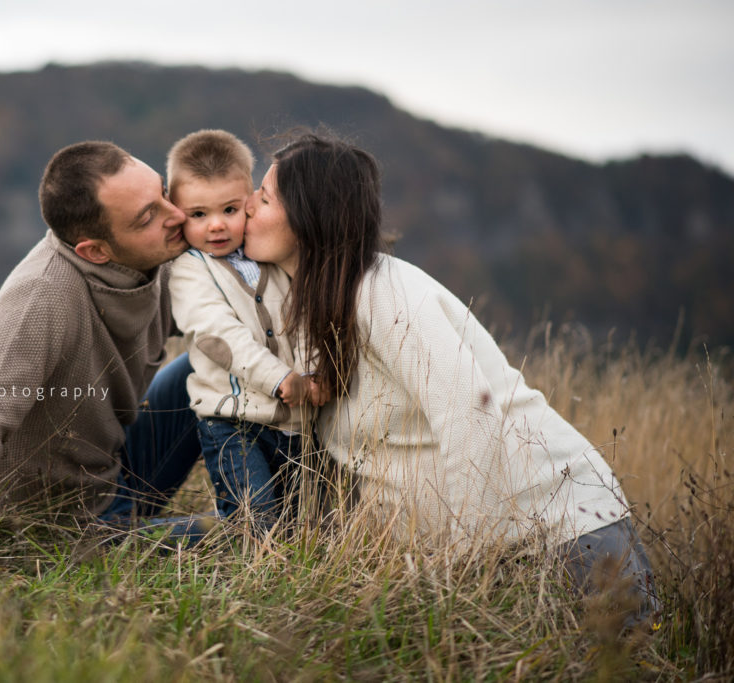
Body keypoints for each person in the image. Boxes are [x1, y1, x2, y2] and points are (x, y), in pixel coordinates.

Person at [242, 131, 660, 625]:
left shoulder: (380, 293)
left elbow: (470, 412)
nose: (246, 205)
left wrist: (460, 568)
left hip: (562, 532)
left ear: (308, 221)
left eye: (263, 197)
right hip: (495, 555)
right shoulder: (311, 308)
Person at [0, 140, 203, 557]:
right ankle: (257, 529)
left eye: (162, 193)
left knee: (207, 368)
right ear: (95, 251)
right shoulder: (41, 297)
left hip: (113, 472)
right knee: (236, 539)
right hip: (63, 523)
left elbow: (238, 315)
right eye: (148, 217)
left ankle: (282, 506)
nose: (177, 215)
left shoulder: (157, 255)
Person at [165, 129, 323, 536]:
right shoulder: (189, 269)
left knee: (304, 528)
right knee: (258, 526)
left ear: (251, 199)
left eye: (230, 209)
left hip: (295, 425)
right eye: (198, 214)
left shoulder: (269, 254)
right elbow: (217, 334)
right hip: (231, 422)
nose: (216, 226)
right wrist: (281, 378)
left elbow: (304, 317)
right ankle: (143, 539)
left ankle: (204, 535)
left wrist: (313, 374)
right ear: (176, 209)